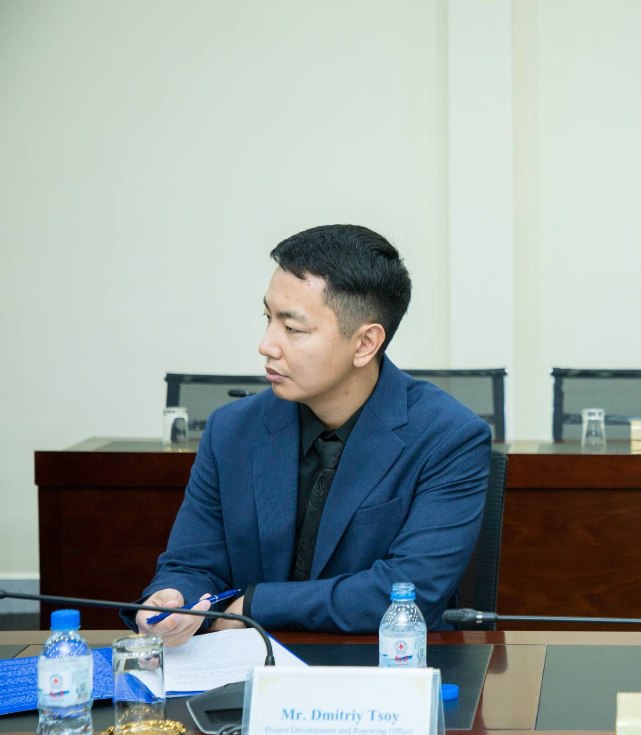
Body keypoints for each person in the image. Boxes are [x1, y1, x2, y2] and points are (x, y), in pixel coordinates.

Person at [129, 224, 492, 645]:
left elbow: (410, 591)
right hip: (247, 668)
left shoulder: (448, 437)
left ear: (365, 343)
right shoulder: (232, 430)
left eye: (293, 328)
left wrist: (256, 605)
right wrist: (174, 595)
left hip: (384, 666)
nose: (267, 344)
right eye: (268, 318)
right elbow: (192, 563)